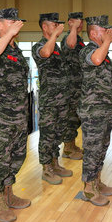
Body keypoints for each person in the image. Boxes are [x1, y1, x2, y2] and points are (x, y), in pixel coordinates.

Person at [0, 8, 31, 222]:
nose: (16, 24)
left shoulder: (16, 50)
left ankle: (8, 194)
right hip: (1, 118)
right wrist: (8, 34)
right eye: (11, 20)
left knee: (17, 157)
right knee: (0, 160)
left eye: (17, 20)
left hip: (20, 116)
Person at [78, 15, 112, 206]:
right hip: (92, 111)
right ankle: (88, 189)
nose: (109, 33)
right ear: (93, 33)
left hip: (105, 110)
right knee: (92, 150)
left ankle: (97, 182)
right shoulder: (88, 50)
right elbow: (96, 59)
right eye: (105, 30)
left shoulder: (103, 51)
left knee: (101, 148)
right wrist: (108, 42)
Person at [32, 13, 73, 185]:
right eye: (53, 24)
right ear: (44, 27)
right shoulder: (40, 46)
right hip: (49, 101)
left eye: (58, 24)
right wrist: (55, 35)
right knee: (48, 135)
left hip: (62, 99)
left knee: (58, 133)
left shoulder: (57, 47)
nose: (57, 26)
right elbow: (45, 53)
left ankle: (55, 163)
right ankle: (46, 168)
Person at [59, 12, 85, 160]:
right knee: (71, 118)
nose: (80, 25)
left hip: (78, 84)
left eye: (81, 22)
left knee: (76, 118)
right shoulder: (68, 38)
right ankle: (68, 149)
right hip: (70, 86)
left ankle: (72, 145)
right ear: (69, 22)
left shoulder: (79, 39)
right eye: (76, 22)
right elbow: (70, 44)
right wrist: (74, 28)